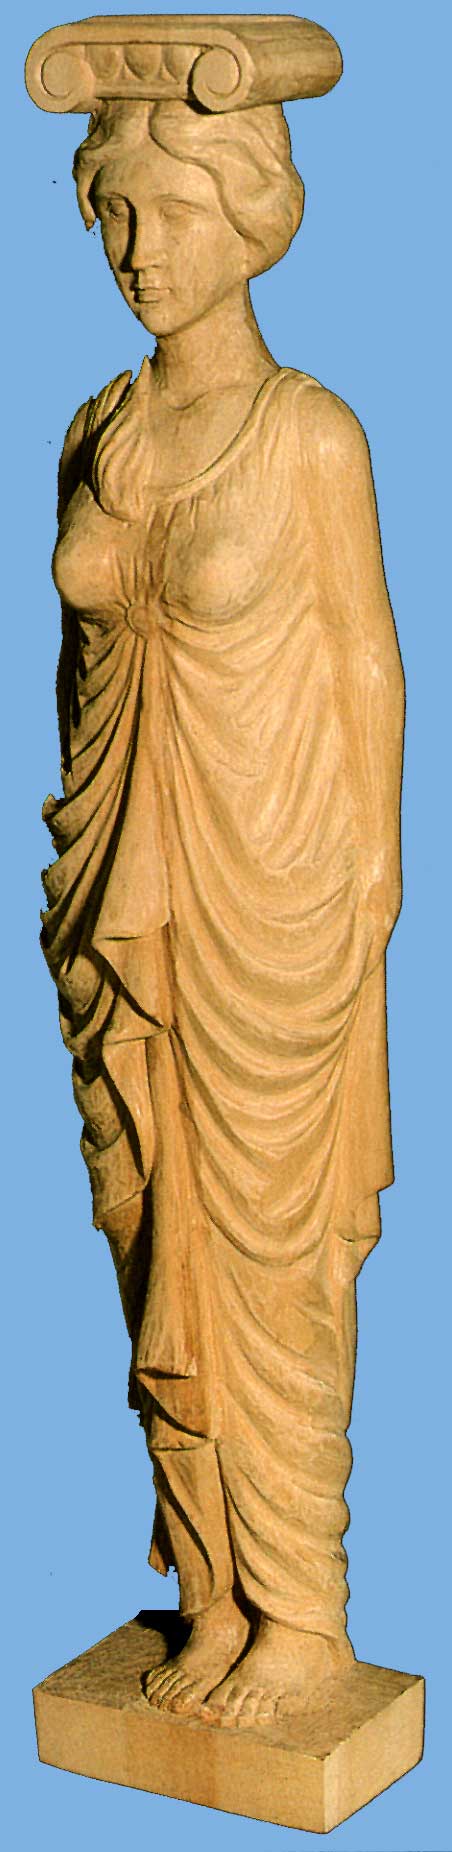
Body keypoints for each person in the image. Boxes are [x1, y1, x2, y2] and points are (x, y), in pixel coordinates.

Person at [42, 92, 404, 1728]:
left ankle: (305, 1619)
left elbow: (366, 660)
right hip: (122, 897)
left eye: (172, 215)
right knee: (154, 1234)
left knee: (271, 1257)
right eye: (113, 215)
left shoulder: (311, 435)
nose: (138, 251)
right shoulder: (94, 430)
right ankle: (212, 1598)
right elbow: (78, 676)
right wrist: (84, 861)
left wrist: (374, 880)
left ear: (251, 220)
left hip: (274, 902)